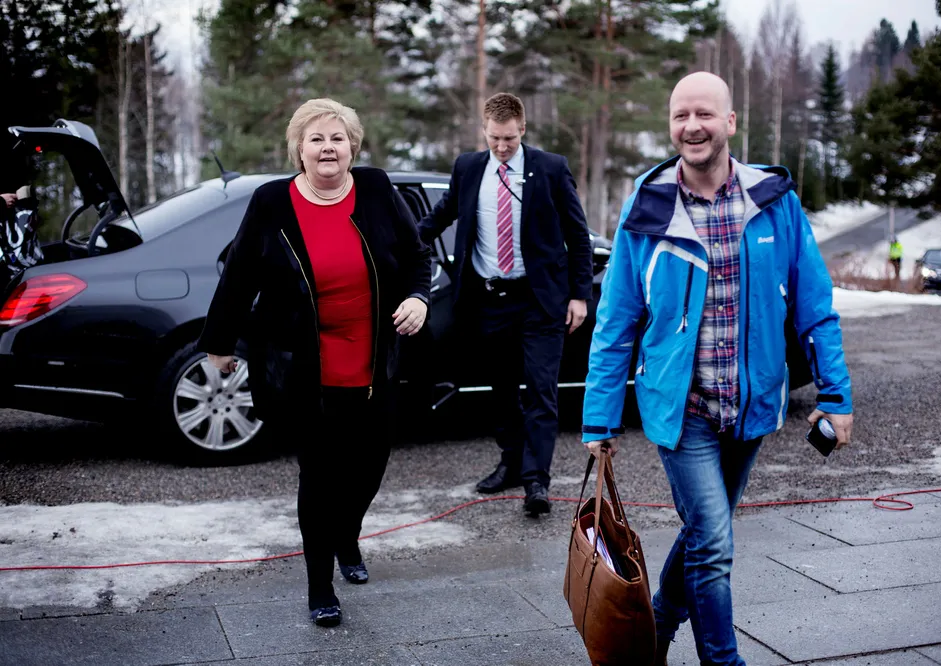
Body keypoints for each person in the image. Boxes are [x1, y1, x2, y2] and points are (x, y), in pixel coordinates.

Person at [581, 72, 854, 666]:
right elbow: (617, 317)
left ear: (730, 121)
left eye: (704, 113)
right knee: (713, 543)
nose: (692, 126)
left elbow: (814, 305)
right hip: (683, 410)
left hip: (750, 407)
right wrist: (599, 418)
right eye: (680, 115)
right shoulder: (648, 206)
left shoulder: (774, 202)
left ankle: (657, 623)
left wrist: (836, 394)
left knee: (706, 532)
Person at [197, 98, 432, 628]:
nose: (328, 147)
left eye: (337, 138)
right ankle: (320, 585)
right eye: (317, 138)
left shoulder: (376, 188)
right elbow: (239, 274)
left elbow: (417, 256)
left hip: (374, 359)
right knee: (320, 475)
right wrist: (220, 340)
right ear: (298, 149)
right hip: (305, 364)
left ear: (353, 146)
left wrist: (419, 297)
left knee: (370, 467)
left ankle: (347, 535)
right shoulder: (272, 201)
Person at [417, 92, 593, 516]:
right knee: (500, 391)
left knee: (541, 391)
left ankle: (537, 481)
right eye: (494, 138)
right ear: (484, 130)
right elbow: (441, 215)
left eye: (510, 139)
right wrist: (393, 242)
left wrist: (580, 294)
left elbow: (578, 234)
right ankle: (511, 462)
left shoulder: (551, 168)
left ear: (523, 129)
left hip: (540, 300)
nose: (501, 147)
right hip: (489, 300)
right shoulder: (468, 167)